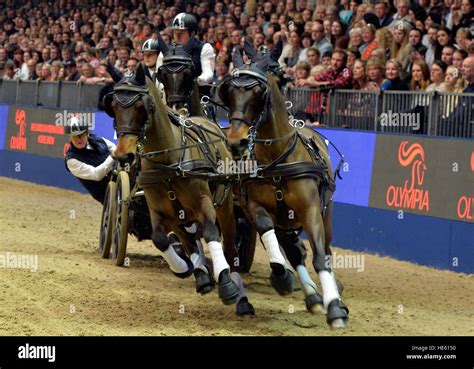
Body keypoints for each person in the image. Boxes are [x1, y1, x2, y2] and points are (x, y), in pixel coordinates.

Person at [64, 121, 116, 204]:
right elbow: (96, 174)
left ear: (87, 133)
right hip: (106, 194)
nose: (78, 139)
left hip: (118, 179)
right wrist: (113, 156)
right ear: (69, 138)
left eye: (80, 135)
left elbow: (114, 148)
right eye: (74, 137)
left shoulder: (99, 140)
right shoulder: (71, 160)